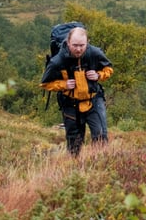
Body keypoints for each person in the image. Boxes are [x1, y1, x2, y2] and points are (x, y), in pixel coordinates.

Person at [40, 25, 113, 155]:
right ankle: (74, 168)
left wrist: (99, 75)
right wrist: (63, 84)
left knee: (101, 136)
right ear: (68, 43)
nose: (79, 49)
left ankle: (100, 166)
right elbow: (45, 84)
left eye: (82, 45)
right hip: (70, 103)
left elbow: (109, 69)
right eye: (75, 45)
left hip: (93, 100)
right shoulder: (58, 61)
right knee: (74, 141)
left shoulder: (95, 53)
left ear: (87, 42)